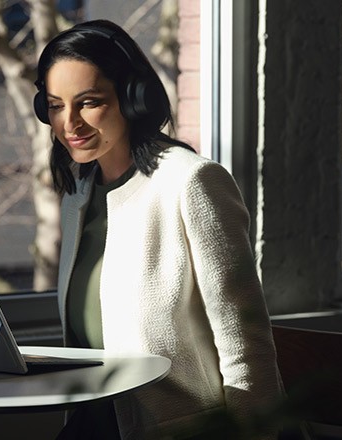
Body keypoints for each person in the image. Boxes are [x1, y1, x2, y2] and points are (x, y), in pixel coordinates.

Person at [33, 19, 282, 439]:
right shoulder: (79, 193)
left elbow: (245, 338)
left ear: (133, 99)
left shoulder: (192, 182)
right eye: (56, 106)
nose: (69, 123)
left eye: (89, 102)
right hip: (100, 419)